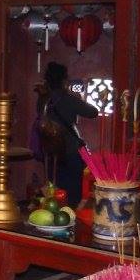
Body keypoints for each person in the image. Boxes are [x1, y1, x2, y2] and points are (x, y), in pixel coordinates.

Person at [42, 61, 98, 207]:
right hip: (70, 151)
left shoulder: (43, 100)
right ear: (64, 81)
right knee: (73, 192)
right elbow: (93, 112)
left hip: (50, 151)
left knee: (54, 189)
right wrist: (78, 98)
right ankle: (71, 213)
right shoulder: (68, 99)